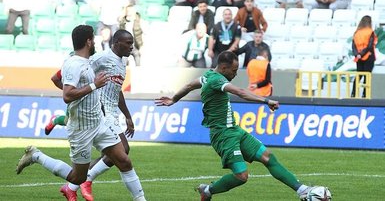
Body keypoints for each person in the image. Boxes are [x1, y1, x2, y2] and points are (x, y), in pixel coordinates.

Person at [155, 51, 324, 201]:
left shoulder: (207, 76)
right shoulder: (216, 80)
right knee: (242, 176)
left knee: (268, 156)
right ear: (223, 67)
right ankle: (208, 190)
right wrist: (266, 101)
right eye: (234, 70)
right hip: (223, 135)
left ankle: (302, 190)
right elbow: (240, 92)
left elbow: (189, 85)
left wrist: (174, 99)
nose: (235, 74)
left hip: (234, 130)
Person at [17, 25, 146, 201]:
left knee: (124, 159)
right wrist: (91, 88)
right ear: (88, 41)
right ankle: (36, 156)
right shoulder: (79, 62)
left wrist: (126, 115)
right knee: (77, 177)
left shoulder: (91, 61)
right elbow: (65, 91)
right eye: (93, 39)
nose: (95, 42)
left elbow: (115, 90)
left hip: (99, 121)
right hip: (82, 128)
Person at [351, 15, 377, 98]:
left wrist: (358, 55)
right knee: (367, 76)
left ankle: (353, 93)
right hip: (368, 56)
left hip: (358, 57)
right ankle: (365, 95)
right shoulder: (370, 32)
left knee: (358, 75)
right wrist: (362, 54)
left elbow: (353, 45)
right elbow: (370, 46)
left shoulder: (357, 32)